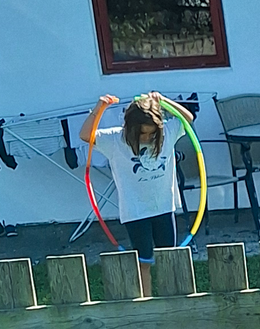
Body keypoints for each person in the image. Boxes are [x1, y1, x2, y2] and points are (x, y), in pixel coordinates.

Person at [78, 92, 194, 296]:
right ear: (130, 128)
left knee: (170, 257)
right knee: (144, 262)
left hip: (164, 208)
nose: (147, 138)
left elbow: (188, 119)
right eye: (142, 134)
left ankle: (174, 300)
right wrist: (99, 109)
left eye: (151, 134)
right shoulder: (116, 140)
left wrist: (164, 101)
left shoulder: (167, 133)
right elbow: (85, 135)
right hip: (135, 212)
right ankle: (147, 301)